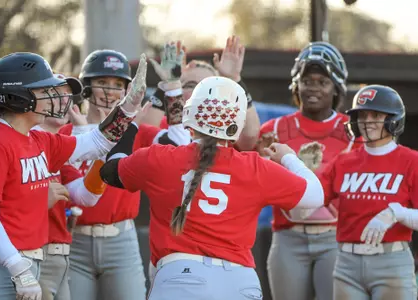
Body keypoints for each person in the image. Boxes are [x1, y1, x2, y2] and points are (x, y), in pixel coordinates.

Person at [100, 76, 325, 299]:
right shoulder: (255, 167)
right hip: (239, 281)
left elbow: (109, 171)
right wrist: (289, 158)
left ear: (191, 113)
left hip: (180, 276)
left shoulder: (161, 158)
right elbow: (315, 197)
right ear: (235, 123)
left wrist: (131, 122)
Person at [0, 51, 147, 300]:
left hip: (29, 262)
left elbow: (95, 143)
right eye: (45, 92)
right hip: (0, 265)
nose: (55, 98)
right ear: (17, 96)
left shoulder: (39, 139)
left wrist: (126, 109)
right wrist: (18, 268)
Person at [257, 41, 353, 300]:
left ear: (336, 88)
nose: (313, 88)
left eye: (322, 82)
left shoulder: (353, 131)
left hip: (335, 236)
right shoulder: (272, 129)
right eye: (307, 80)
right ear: (296, 84)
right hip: (287, 236)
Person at [319, 84, 417, 299]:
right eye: (362, 115)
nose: (367, 121)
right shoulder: (343, 162)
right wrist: (287, 163)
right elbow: (310, 197)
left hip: (391, 261)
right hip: (347, 263)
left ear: (392, 119)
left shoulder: (412, 161)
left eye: (376, 114)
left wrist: (396, 213)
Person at [68, 49, 147, 300]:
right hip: (73, 240)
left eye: (117, 84)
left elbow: (178, 140)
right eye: (102, 82)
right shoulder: (65, 132)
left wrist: (172, 87)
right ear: (87, 87)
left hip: (121, 238)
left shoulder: (136, 132)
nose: (110, 91)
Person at [142, 36, 261, 151]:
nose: (199, 94)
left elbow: (249, 138)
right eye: (191, 85)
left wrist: (234, 79)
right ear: (178, 90)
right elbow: (143, 134)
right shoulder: (164, 124)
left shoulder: (224, 124)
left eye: (208, 88)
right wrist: (169, 82)